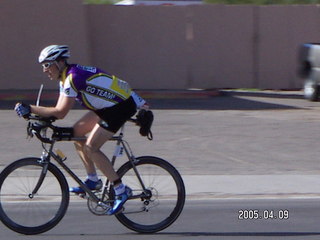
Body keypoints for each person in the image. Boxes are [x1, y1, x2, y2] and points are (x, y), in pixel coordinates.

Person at [14, 45, 148, 215]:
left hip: (119, 108)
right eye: (43, 65)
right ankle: (93, 180)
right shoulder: (66, 77)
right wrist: (40, 117)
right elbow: (56, 112)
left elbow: (60, 112)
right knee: (76, 132)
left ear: (59, 62)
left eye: (47, 65)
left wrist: (30, 108)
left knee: (91, 147)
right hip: (106, 108)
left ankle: (121, 190)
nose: (44, 70)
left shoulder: (73, 77)